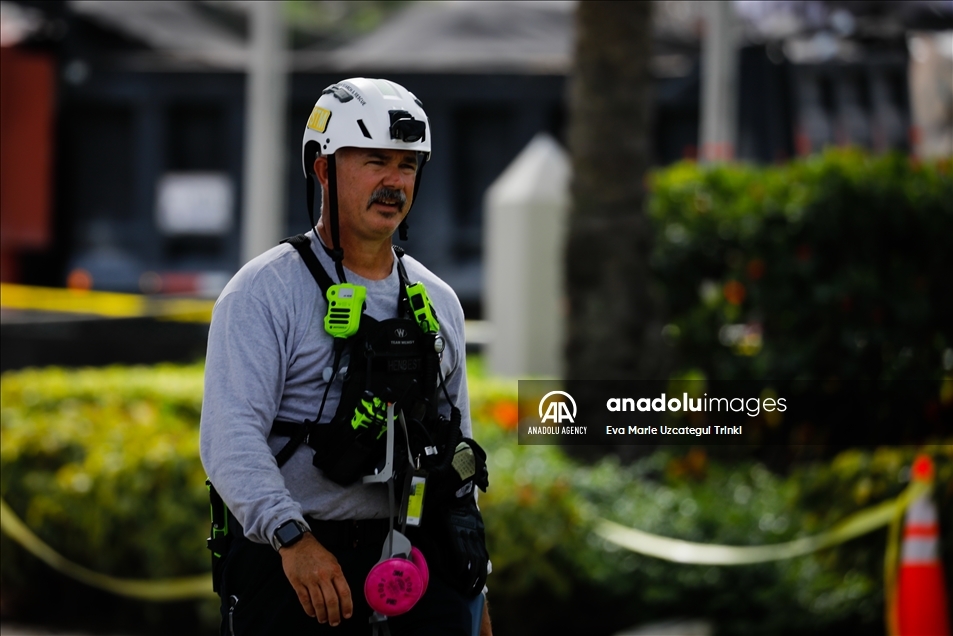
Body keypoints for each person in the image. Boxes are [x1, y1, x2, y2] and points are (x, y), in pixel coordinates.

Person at [200, 77, 491, 636]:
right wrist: (292, 539)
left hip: (416, 564)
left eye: (407, 165)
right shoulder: (263, 292)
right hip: (293, 563)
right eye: (375, 162)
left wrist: (477, 592)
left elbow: (458, 452)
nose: (394, 182)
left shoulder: (437, 301)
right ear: (324, 170)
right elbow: (229, 437)